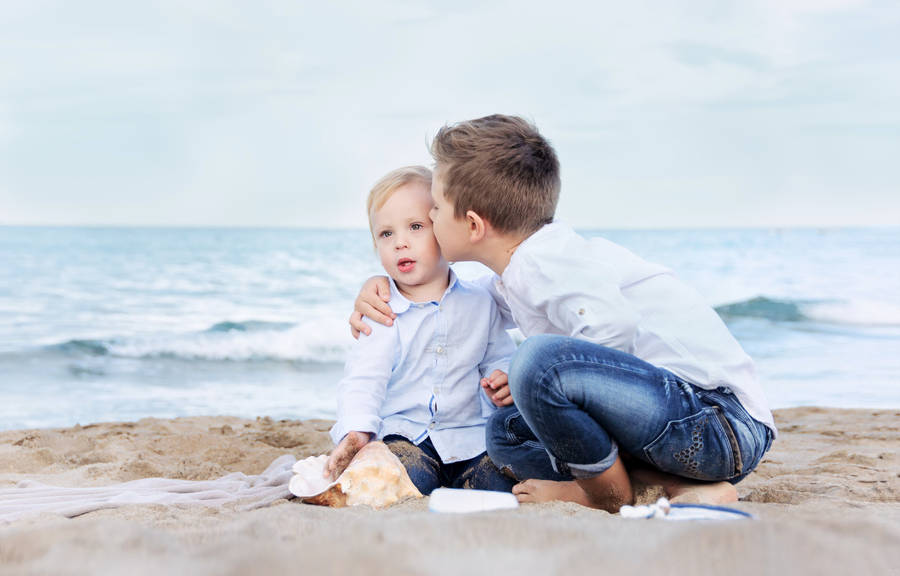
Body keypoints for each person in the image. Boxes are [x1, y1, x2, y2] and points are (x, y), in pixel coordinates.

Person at [349, 116, 776, 512]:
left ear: (474, 226)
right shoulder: (519, 274)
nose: (430, 217)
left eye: (435, 210)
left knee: (535, 360)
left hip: (718, 420)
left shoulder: (546, 263)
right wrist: (381, 289)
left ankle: (602, 494)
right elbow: (459, 302)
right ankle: (676, 488)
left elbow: (614, 327)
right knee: (504, 431)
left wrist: (541, 378)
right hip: (677, 433)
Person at [325, 165, 517, 496]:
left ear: (445, 231)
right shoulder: (382, 310)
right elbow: (363, 379)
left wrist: (505, 378)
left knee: (497, 482)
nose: (400, 243)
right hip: (405, 435)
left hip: (471, 435)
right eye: (386, 234)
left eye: (416, 227)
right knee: (402, 478)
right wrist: (355, 432)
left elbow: (499, 356)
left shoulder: (480, 301)